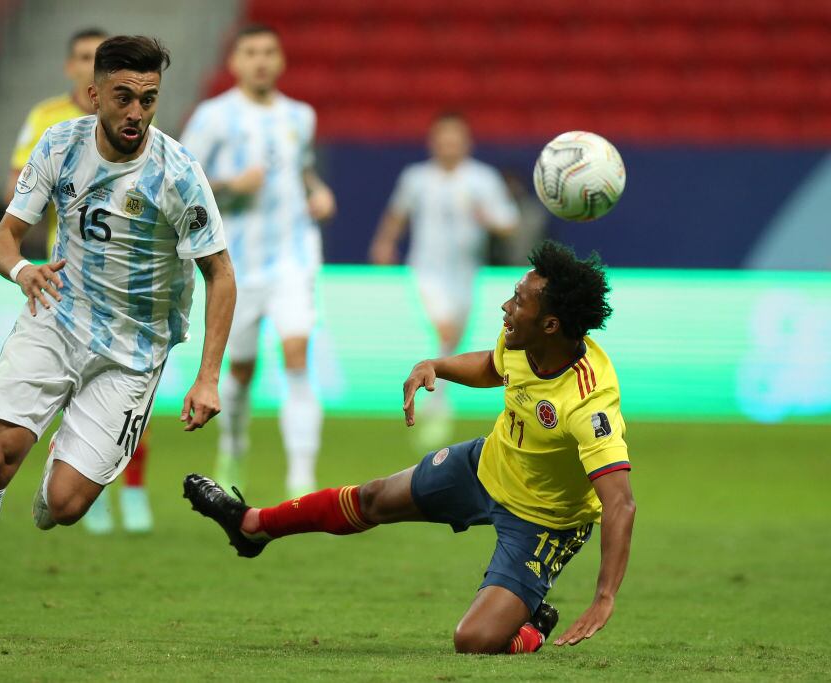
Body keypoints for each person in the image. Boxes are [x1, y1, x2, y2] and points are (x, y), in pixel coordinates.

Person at [0, 35, 236, 644]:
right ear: (94, 94)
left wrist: (207, 376)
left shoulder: (177, 174)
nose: (137, 113)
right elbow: (3, 240)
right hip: (56, 316)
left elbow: (220, 272)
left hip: (134, 349)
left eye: (148, 99)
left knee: (63, 509)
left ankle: (62, 463)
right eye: (123, 97)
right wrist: (23, 271)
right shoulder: (59, 145)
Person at [185, 240, 636, 655]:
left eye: (519, 301)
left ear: (551, 324)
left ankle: (533, 627)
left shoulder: (588, 402)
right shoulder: (525, 338)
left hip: (545, 520)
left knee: (474, 641)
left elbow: (620, 503)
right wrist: (436, 365)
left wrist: (604, 597)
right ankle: (251, 525)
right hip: (487, 466)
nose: (506, 306)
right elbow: (493, 366)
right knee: (373, 497)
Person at [5, 28, 154, 534]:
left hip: (124, 295)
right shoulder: (48, 123)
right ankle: (68, 476)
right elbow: (17, 190)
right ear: (77, 71)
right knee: (64, 398)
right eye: (85, 57)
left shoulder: (133, 124)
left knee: (125, 400)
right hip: (63, 285)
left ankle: (131, 491)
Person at [180, 23, 336, 497]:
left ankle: (302, 479)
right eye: (251, 52)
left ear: (281, 60)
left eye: (269, 52)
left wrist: (317, 192)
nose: (261, 60)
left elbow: (302, 169)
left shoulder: (300, 115)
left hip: (294, 256)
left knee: (296, 357)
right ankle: (232, 446)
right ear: (235, 62)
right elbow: (180, 182)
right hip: (236, 264)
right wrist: (228, 185)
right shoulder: (213, 117)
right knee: (241, 371)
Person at [370, 113, 518, 447]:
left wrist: (489, 218)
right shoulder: (417, 178)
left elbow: (509, 221)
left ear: (466, 142)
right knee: (446, 332)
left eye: (455, 138)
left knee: (453, 337)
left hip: (466, 272)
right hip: (426, 268)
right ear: (433, 141)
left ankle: (438, 398)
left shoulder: (482, 179)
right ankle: (437, 404)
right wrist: (384, 242)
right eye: (443, 137)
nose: (449, 144)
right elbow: (398, 213)